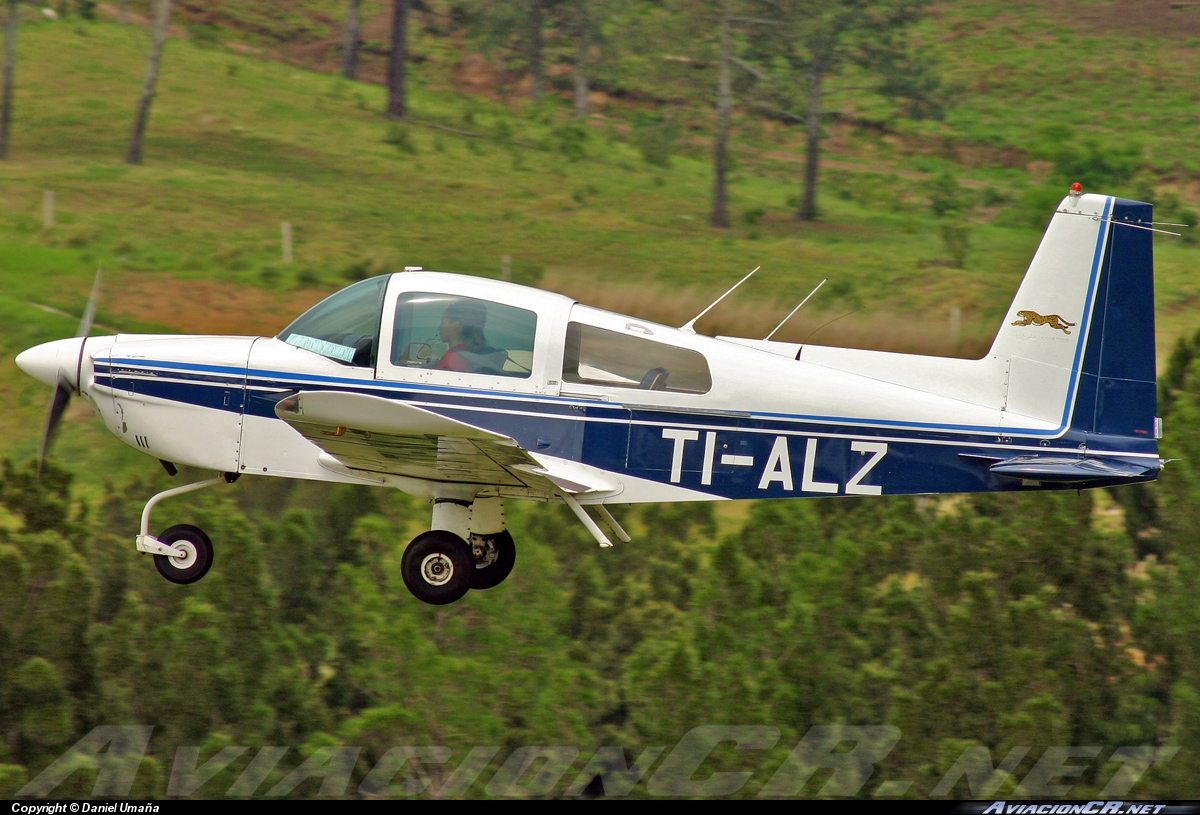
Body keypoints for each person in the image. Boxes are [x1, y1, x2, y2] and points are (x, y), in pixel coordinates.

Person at [434, 299, 505, 373]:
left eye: (443, 322)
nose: (439, 327)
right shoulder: (465, 355)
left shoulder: (453, 357)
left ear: (456, 325)